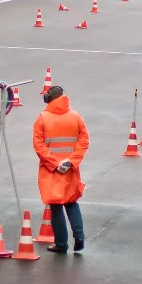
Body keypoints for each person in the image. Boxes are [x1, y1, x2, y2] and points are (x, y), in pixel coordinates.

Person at [32, 85, 90, 254]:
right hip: (70, 169)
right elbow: (84, 141)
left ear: (48, 99)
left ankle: (61, 243)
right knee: (71, 202)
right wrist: (71, 161)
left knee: (56, 205)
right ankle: (79, 237)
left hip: (51, 170)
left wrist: (55, 163)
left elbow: (39, 146)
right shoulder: (76, 117)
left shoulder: (42, 119)